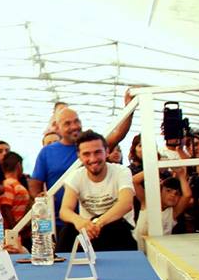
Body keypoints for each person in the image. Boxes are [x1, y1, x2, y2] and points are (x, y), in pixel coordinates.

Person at [29, 98, 133, 228]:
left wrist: (130, 107)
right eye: (67, 123)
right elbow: (35, 183)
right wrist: (40, 199)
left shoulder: (91, 145)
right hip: (60, 221)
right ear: (57, 127)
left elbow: (118, 134)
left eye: (76, 121)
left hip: (97, 219)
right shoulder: (47, 152)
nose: (74, 126)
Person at [57, 130, 137, 252]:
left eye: (97, 152)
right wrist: (79, 221)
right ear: (79, 156)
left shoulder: (121, 171)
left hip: (117, 229)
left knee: (118, 228)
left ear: (107, 152)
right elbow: (65, 210)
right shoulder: (75, 176)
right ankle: (61, 268)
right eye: (86, 154)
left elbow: (126, 204)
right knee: (67, 230)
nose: (93, 159)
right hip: (89, 231)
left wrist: (98, 223)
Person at [132, 170, 192, 251]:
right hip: (138, 251)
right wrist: (157, 168)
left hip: (160, 252)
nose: (172, 195)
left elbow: (187, 195)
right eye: (168, 191)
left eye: (176, 193)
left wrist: (181, 175)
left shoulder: (173, 212)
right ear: (159, 191)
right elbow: (134, 181)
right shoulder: (147, 203)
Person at [0, 151, 32, 248]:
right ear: (18, 165)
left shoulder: (11, 183)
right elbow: (5, 207)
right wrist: (14, 231)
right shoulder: (8, 183)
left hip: (21, 231)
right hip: (15, 232)